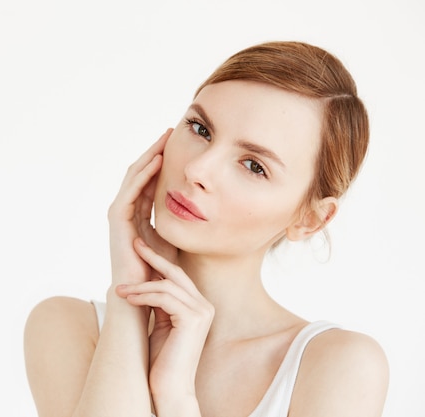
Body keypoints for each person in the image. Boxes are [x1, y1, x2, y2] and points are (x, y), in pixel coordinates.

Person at [23, 41, 389, 417]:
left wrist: (177, 396)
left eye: (253, 166)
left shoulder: (338, 367)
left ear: (310, 219)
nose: (197, 170)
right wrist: (128, 306)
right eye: (200, 129)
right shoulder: (68, 329)